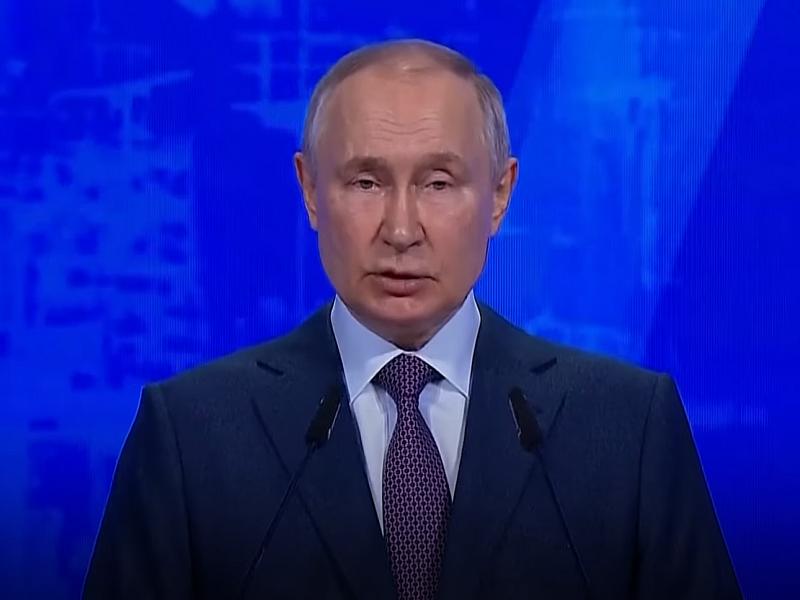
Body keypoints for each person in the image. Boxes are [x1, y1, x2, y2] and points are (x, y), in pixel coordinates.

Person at [84, 39, 742, 599]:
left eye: (438, 183)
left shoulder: (628, 427)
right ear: (310, 190)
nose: (401, 230)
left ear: (500, 194)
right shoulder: (191, 435)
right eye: (366, 182)